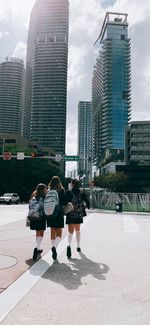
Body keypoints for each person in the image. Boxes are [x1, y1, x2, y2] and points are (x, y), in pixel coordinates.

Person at [66, 179, 90, 258]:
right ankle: (78, 246)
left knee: (70, 231)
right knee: (78, 230)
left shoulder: (68, 192)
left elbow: (64, 201)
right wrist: (88, 207)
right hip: (79, 214)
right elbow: (87, 201)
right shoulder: (81, 193)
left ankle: (69, 245)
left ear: (72, 184)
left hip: (70, 213)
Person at [46, 176, 67, 260]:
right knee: (59, 233)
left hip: (50, 212)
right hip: (59, 212)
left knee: (52, 231)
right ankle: (54, 247)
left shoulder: (48, 190)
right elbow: (63, 201)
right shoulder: (61, 190)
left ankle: (53, 246)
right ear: (59, 182)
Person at [29, 183, 47, 260]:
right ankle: (37, 248)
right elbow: (44, 207)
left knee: (37, 232)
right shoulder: (43, 197)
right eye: (45, 188)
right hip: (41, 217)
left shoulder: (33, 197)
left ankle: (38, 248)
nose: (46, 190)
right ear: (43, 189)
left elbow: (29, 206)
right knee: (41, 232)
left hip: (34, 217)